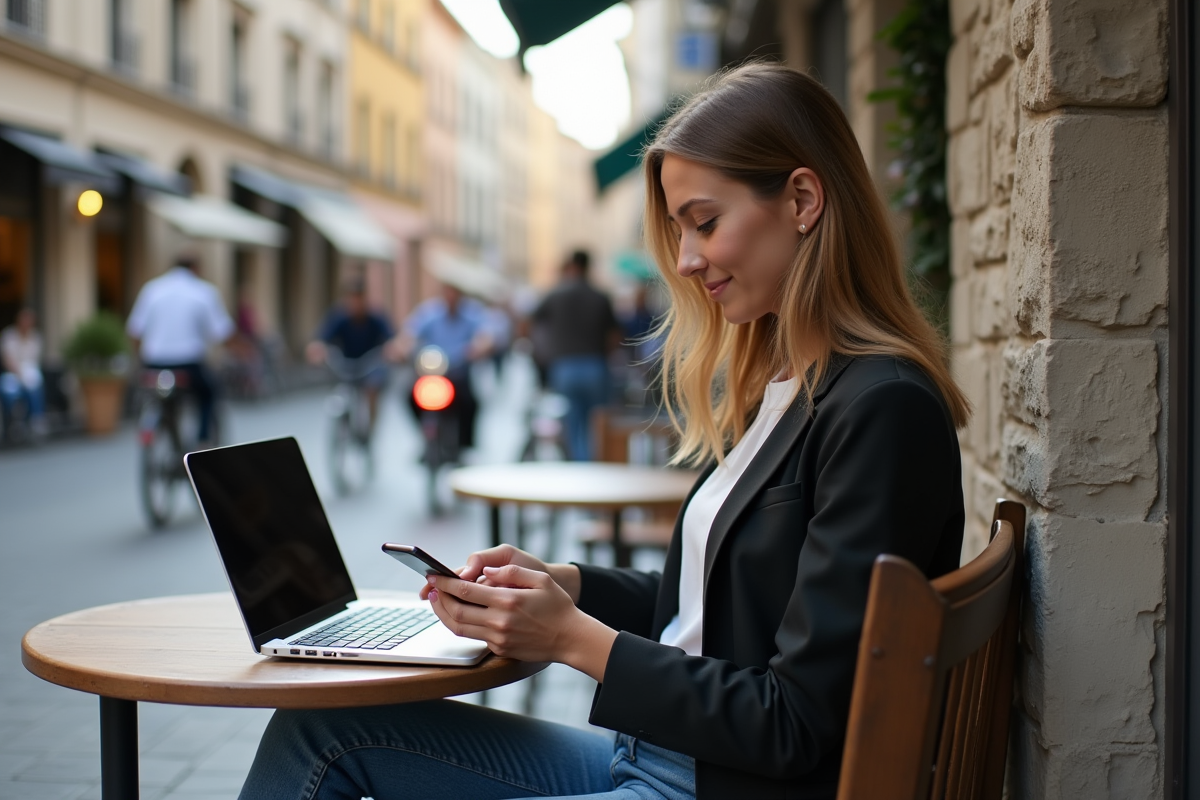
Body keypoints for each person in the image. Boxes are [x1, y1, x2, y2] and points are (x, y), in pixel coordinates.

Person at [236, 63, 971, 800]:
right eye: (678, 231)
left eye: (705, 222)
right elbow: (717, 608)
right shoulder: (788, 384)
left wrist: (570, 638)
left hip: (712, 783)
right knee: (318, 728)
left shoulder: (882, 408)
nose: (685, 261)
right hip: (666, 758)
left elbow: (796, 723)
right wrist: (567, 586)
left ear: (803, 200)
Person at [126, 255, 234, 445]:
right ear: (195, 269)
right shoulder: (203, 291)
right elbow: (222, 332)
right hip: (189, 365)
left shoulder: (152, 289)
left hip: (154, 364)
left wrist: (140, 360)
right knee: (208, 394)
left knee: (157, 398)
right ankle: (203, 440)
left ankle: (162, 430)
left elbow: (135, 332)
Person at [531, 250, 619, 460]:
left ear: (571, 267)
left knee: (571, 423)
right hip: (595, 366)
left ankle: (579, 464)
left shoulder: (555, 295)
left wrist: (543, 354)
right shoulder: (600, 297)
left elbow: (531, 324)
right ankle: (594, 461)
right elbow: (615, 336)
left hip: (565, 366)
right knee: (597, 423)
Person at [396, 280, 493, 451]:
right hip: (431, 373)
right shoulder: (430, 313)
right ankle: (425, 436)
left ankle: (465, 444)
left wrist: (478, 347)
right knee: (410, 397)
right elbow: (410, 333)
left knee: (470, 403)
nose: (451, 297)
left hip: (458, 373)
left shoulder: (472, 314)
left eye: (454, 292)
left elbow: (485, 336)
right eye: (448, 292)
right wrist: (402, 348)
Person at [306, 280, 396, 432]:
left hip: (370, 365)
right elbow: (322, 338)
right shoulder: (339, 317)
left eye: (358, 298)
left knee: (372, 388)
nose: (355, 303)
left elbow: (391, 339)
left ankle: (370, 429)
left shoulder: (375, 317)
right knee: (340, 388)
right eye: (352, 298)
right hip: (346, 365)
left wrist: (392, 350)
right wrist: (316, 350)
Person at [0, 307, 47, 439]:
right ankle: (16, 421)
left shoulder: (36, 337)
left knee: (34, 386)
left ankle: (36, 420)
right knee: (10, 392)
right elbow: (7, 359)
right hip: (11, 374)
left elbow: (34, 360)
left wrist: (26, 374)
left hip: (28, 373)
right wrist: (18, 373)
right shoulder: (9, 335)